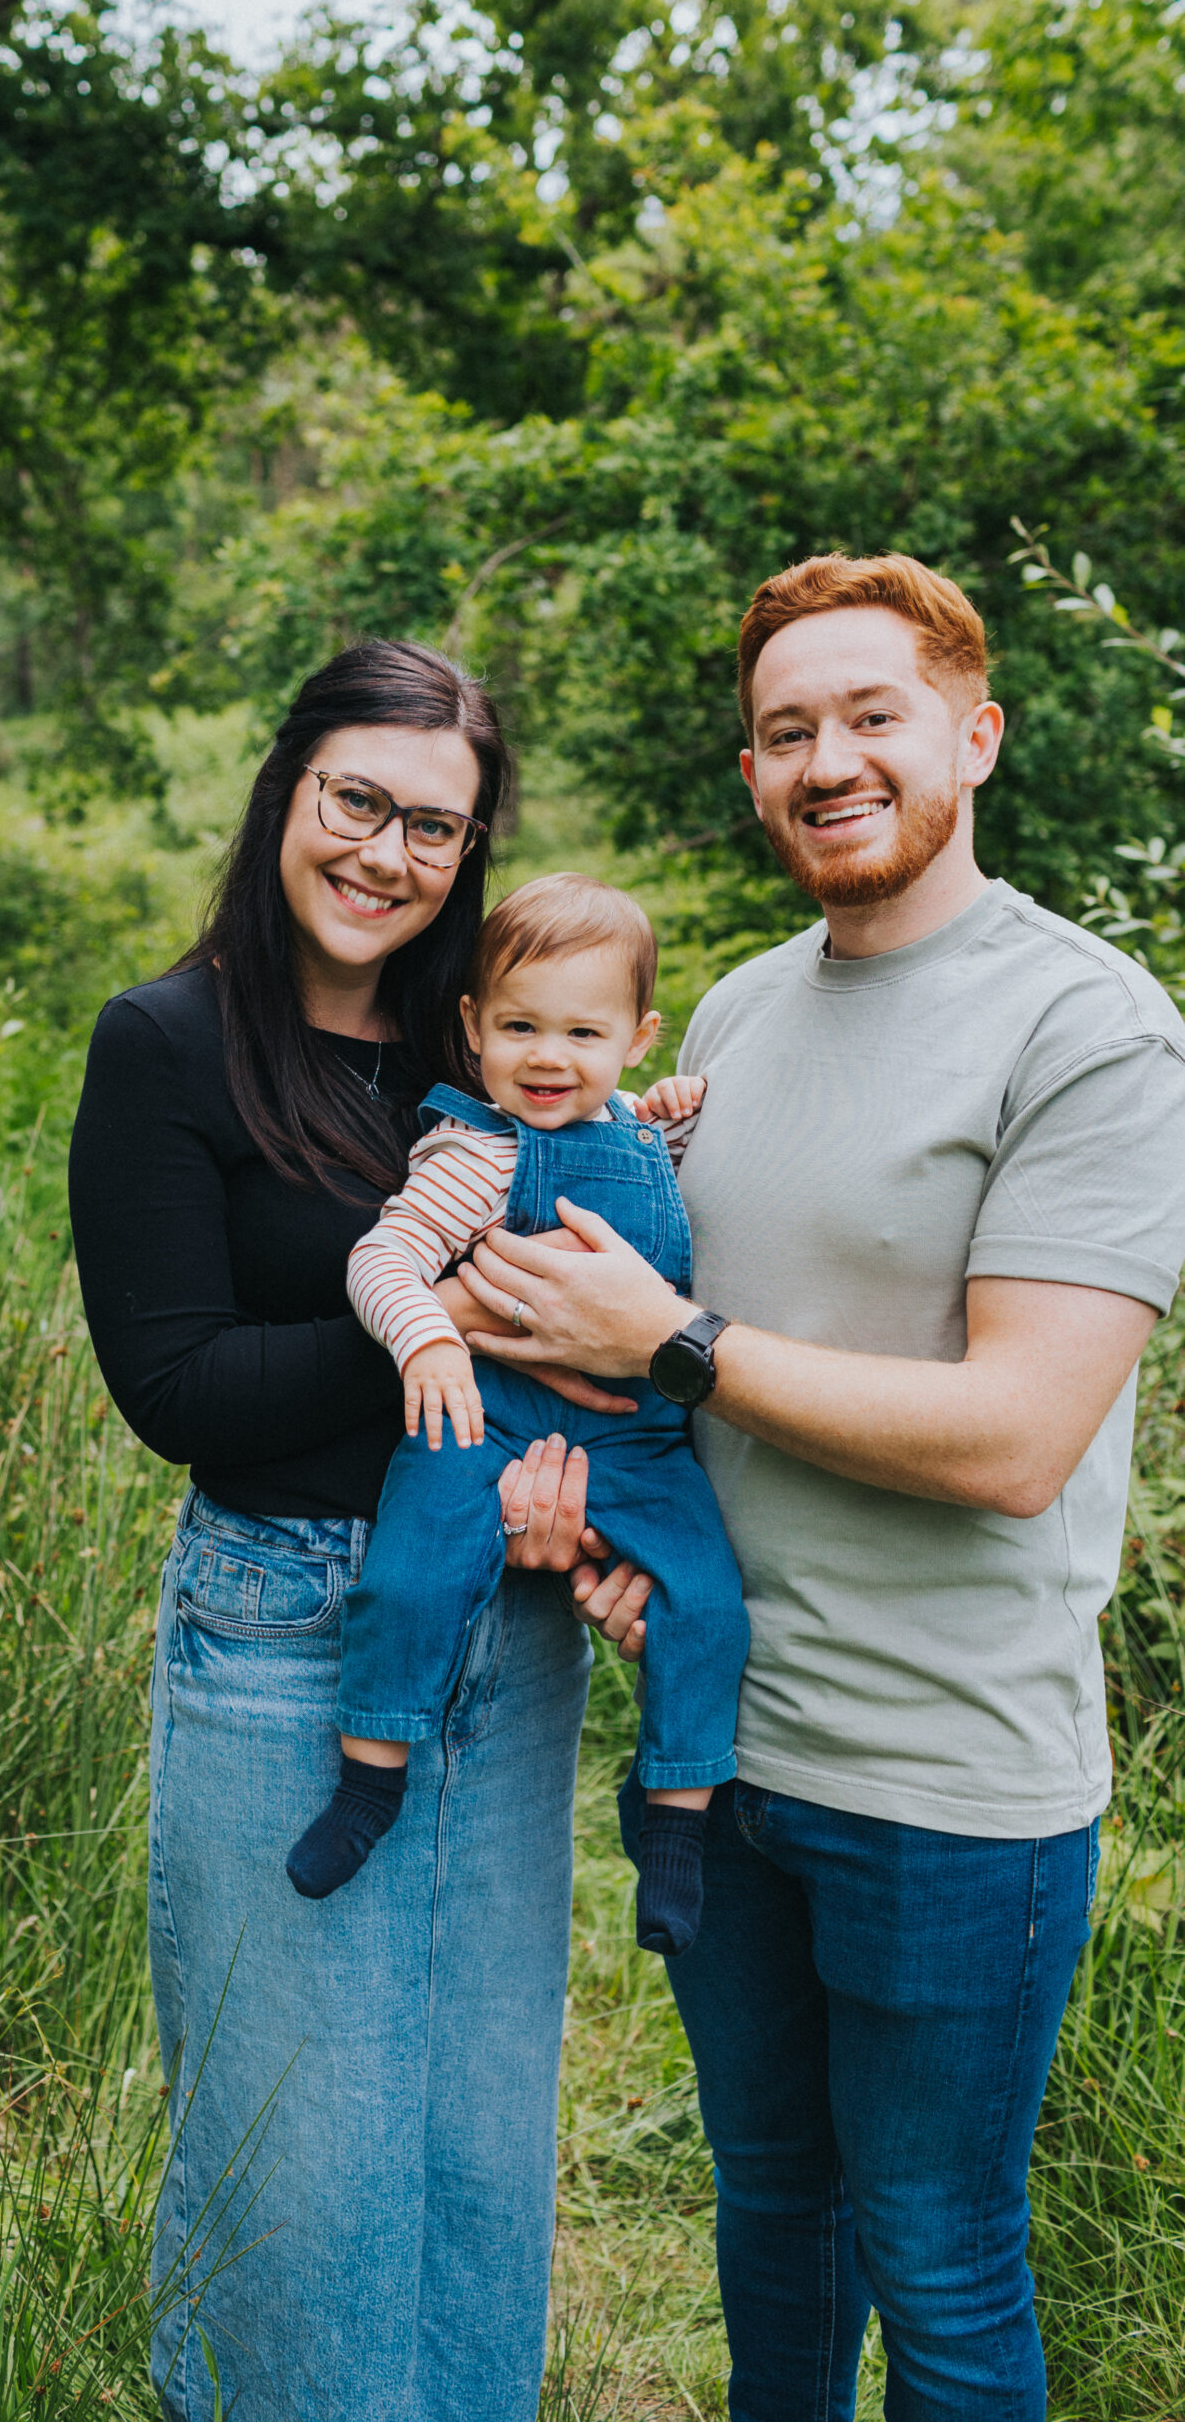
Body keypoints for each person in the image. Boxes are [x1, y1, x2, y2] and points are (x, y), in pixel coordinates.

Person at [452, 553, 1185, 2420]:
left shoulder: (1091, 1032)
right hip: (721, 1751)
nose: (826, 760)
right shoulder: (728, 1021)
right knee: (772, 2216)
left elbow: (1017, 1439)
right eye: (785, 731)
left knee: (937, 2255)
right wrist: (597, 1535)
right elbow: (658, 1358)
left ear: (973, 735)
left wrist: (669, 1347)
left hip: (948, 1789)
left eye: (869, 716)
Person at [67, 641, 637, 2422]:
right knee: (297, 2156)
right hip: (284, 1622)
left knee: (476, 2141)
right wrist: (437, 1323)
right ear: (288, 790)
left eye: (438, 830)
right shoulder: (165, 1043)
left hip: (507, 1619)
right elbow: (176, 1386)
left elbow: (622, 1245)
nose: (390, 855)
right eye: (359, 803)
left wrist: (580, 1475)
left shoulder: (497, 1039)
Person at [286, 872, 749, 1962]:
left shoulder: (637, 1133)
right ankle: (371, 1776)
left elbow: (669, 1201)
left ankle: (679, 1822)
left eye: (583, 1031)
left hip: (634, 1435)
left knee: (709, 1600)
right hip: (482, 1415)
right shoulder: (479, 1151)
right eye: (521, 1026)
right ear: (473, 1028)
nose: (550, 1057)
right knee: (409, 1576)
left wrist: (675, 1118)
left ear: (637, 1038)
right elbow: (382, 1256)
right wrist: (431, 1336)